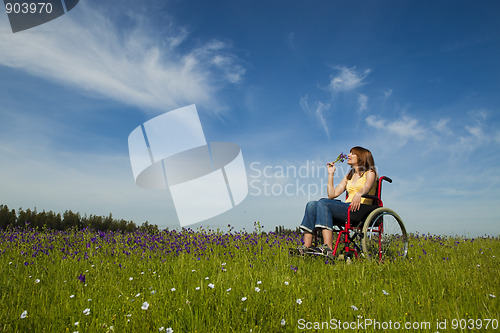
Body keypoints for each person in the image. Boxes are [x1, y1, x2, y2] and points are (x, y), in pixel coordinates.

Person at [298, 146, 378, 256]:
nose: (348, 155)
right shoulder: (349, 176)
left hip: (360, 209)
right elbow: (332, 195)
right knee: (312, 204)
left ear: (361, 157)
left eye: (352, 154)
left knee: (323, 203)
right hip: (347, 207)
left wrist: (359, 193)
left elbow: (368, 186)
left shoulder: (370, 172)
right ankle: (306, 247)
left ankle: (328, 248)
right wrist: (331, 174)